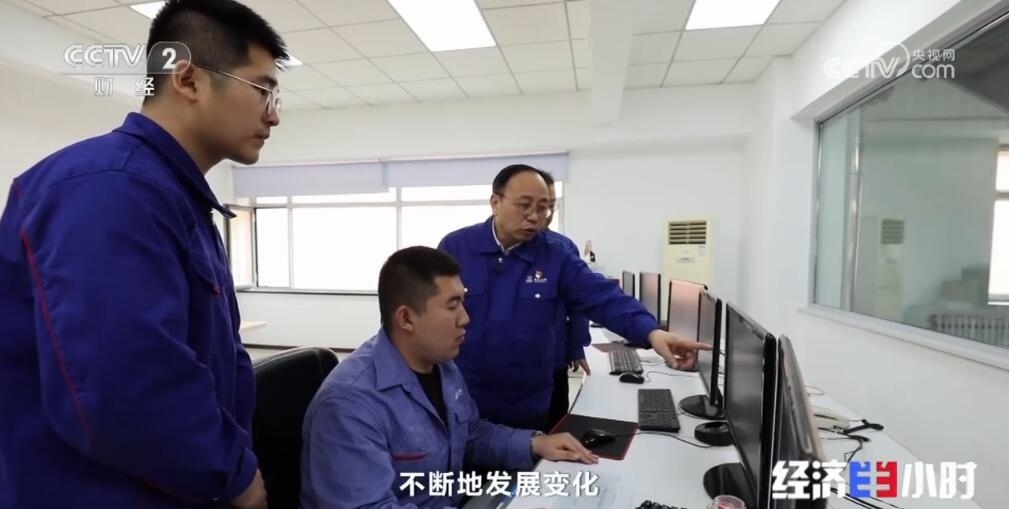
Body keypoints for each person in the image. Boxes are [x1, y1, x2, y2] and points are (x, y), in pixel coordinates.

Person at [0, 1, 286, 507]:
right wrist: (232, 475)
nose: (274, 114)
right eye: (263, 90)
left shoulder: (174, 196)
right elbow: (121, 389)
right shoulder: (110, 188)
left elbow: (211, 357)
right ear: (189, 80)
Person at [300, 247, 597, 508]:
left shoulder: (442, 365)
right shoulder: (350, 404)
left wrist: (535, 444)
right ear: (406, 318)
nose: (465, 318)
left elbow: (469, 433)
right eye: (452, 306)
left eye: (463, 303)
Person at [437, 164, 709, 430]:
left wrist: (651, 332)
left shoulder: (555, 255)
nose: (535, 217)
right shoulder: (456, 247)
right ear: (496, 202)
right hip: (464, 397)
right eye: (524, 205)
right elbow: (430, 312)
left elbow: (601, 295)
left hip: (526, 404)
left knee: (530, 460)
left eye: (543, 207)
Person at [535, 170, 592, 431]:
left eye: (550, 205)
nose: (545, 213)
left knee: (555, 429)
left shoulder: (562, 247)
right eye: (538, 205)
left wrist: (576, 347)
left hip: (553, 362)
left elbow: (579, 302)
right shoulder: (465, 246)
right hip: (494, 373)